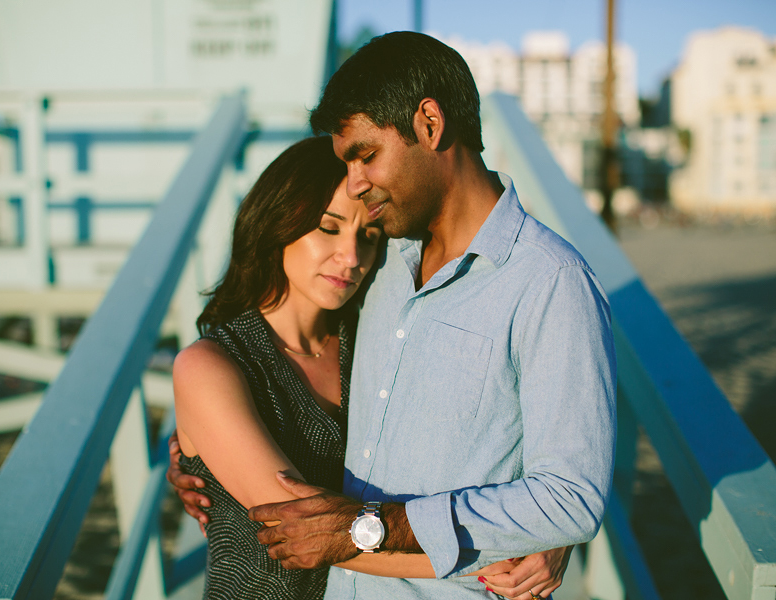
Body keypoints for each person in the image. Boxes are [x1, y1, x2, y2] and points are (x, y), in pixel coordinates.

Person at [239, 31, 617, 600]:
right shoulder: (377, 259)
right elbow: (292, 342)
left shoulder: (551, 283)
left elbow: (570, 497)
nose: (355, 183)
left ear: (430, 124)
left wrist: (373, 527)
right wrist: (195, 444)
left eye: (366, 155)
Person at [170, 135, 536, 600]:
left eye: (368, 234)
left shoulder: (369, 341)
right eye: (328, 226)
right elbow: (310, 529)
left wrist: (540, 536)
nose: (352, 258)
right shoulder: (211, 365)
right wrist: (491, 559)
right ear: (276, 223)